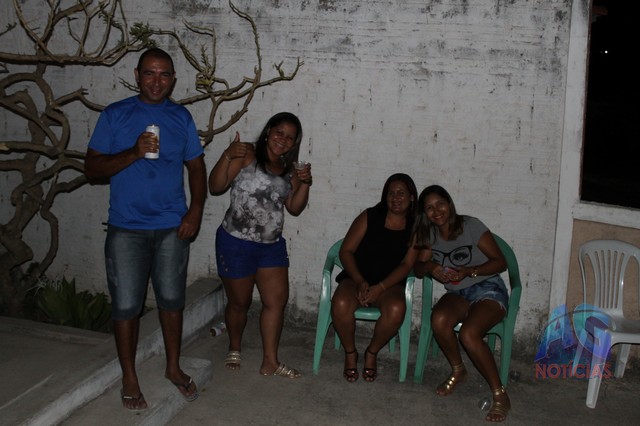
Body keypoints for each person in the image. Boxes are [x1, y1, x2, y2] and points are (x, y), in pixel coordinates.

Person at [84, 47, 206, 409]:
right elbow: (92, 169)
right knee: (126, 306)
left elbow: (196, 168)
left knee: (172, 300)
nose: (157, 81)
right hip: (126, 227)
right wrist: (134, 152)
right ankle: (130, 376)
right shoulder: (115, 114)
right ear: (137, 75)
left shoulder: (180, 117)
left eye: (164, 74)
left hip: (172, 226)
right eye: (149, 73)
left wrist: (195, 211)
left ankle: (173, 367)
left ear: (173, 79)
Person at [208, 112, 311, 378]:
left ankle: (270, 362)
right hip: (235, 243)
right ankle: (234, 346)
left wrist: (305, 183)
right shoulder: (246, 154)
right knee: (239, 304)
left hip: (271, 246)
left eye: (290, 137)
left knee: (276, 302)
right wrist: (227, 155)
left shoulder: (290, 170)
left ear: (294, 143)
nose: (282, 140)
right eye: (279, 132)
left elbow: (294, 207)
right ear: (268, 131)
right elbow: (216, 186)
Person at [412, 185, 510, 422]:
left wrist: (470, 271)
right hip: (458, 293)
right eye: (429, 208)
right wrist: (430, 266)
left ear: (449, 203)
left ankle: (500, 394)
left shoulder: (470, 226)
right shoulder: (429, 235)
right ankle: (458, 370)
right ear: (424, 214)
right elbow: (418, 269)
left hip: (488, 288)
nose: (437, 211)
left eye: (440, 204)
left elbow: (500, 262)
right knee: (439, 320)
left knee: (469, 334)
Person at [330, 173, 419, 382]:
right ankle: (350, 353)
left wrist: (380, 288)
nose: (395, 198)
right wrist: (360, 281)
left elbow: (407, 264)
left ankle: (372, 352)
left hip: (389, 284)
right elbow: (346, 251)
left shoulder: (416, 226)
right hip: (356, 278)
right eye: (391, 193)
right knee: (340, 303)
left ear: (411, 197)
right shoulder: (370, 216)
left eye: (401, 193)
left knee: (396, 309)